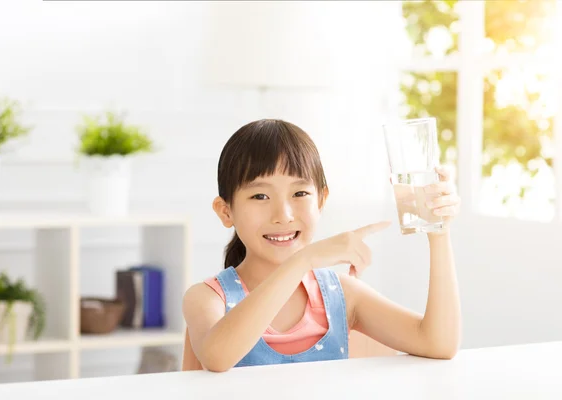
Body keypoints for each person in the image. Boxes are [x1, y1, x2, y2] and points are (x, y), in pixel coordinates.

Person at [182, 119, 461, 372]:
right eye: (259, 196)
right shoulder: (207, 298)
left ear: (321, 200)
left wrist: (439, 231)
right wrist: (303, 260)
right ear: (225, 211)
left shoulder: (341, 295)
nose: (284, 215)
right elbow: (217, 357)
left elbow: (438, 343)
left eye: (300, 193)